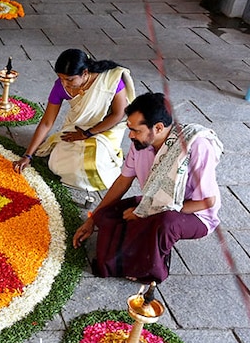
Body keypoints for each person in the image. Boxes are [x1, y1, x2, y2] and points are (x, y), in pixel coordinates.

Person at [72, 92, 222, 283]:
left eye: (136, 130)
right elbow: (123, 182)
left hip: (195, 214)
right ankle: (124, 256)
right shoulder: (141, 143)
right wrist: (92, 220)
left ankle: (153, 271)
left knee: (165, 223)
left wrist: (147, 213)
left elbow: (208, 201)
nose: (131, 135)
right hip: (155, 202)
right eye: (129, 128)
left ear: (158, 128)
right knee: (105, 215)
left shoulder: (196, 146)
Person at [13, 49, 136, 192]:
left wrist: (87, 134)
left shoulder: (110, 81)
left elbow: (118, 114)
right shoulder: (60, 86)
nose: (64, 84)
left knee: (94, 165)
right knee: (56, 164)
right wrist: (28, 155)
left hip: (107, 128)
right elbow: (47, 122)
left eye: (70, 79)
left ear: (84, 73)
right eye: (61, 78)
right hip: (77, 127)